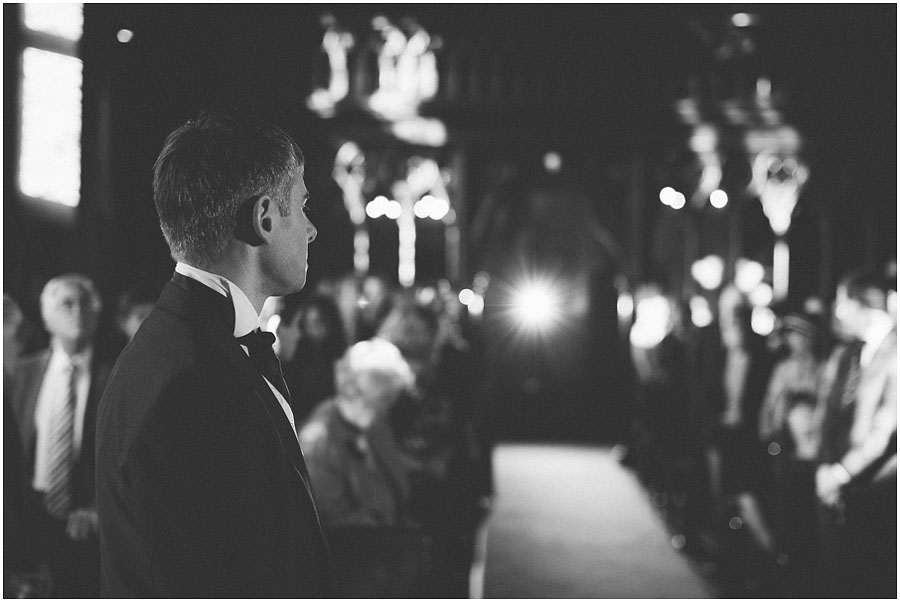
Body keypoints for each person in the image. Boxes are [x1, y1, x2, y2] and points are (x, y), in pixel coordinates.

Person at [95, 110, 335, 597]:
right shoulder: (190, 383)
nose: (311, 230)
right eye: (302, 206)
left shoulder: (190, 343)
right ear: (265, 217)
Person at [10, 275, 112, 597]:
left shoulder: (115, 372)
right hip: (31, 519)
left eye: (85, 303)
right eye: (67, 303)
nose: (78, 311)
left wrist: (98, 508)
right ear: (46, 316)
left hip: (86, 524)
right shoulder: (24, 372)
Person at [815, 270, 896, 598]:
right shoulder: (850, 352)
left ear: (862, 305)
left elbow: (884, 428)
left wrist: (841, 472)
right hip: (841, 485)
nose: (836, 310)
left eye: (841, 301)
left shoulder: (896, 351)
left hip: (879, 486)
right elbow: (832, 417)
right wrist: (825, 466)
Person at [298, 338, 416, 527]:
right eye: (384, 399)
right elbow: (339, 523)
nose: (387, 409)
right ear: (353, 391)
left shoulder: (373, 426)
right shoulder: (319, 443)